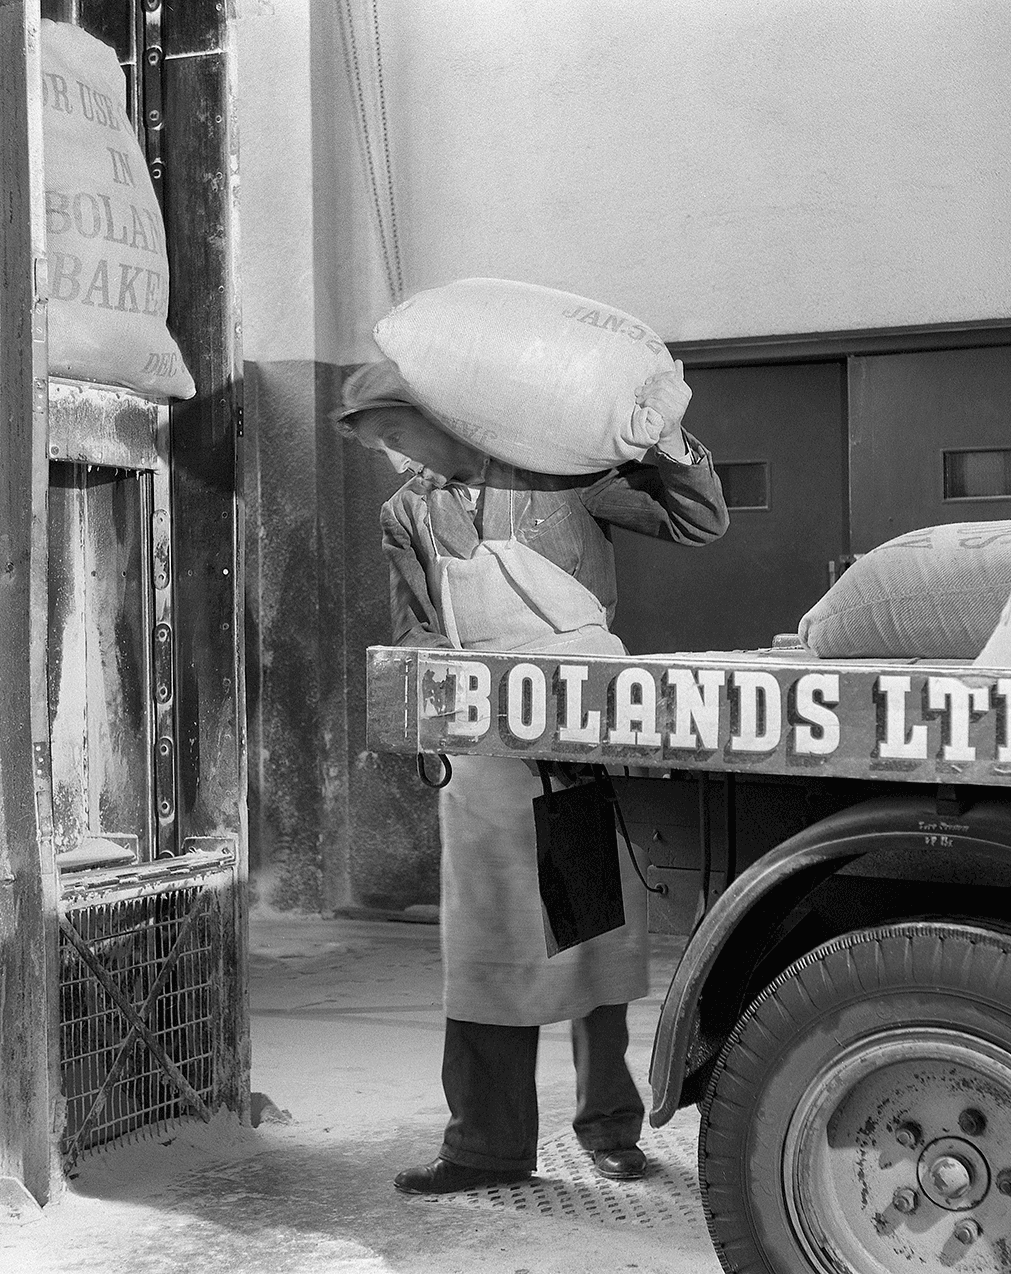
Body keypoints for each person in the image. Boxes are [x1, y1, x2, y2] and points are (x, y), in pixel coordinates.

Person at [335, 357, 729, 1195]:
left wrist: (669, 443)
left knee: (591, 935)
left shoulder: (563, 481)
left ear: (446, 415)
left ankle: (610, 1129)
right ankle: (484, 1146)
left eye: (398, 434)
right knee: (484, 950)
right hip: (483, 741)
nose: (396, 457)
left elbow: (698, 526)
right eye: (379, 447)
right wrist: (439, 681)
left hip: (581, 732)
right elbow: (411, 628)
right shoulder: (405, 514)